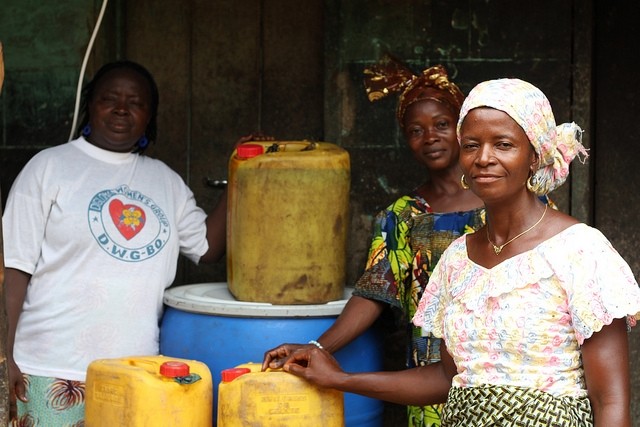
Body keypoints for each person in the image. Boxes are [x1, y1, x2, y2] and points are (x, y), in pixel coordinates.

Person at [278, 78, 640, 426]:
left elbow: (610, 402)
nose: (483, 158)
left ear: (534, 156)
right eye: (471, 145)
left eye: (503, 144)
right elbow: (446, 378)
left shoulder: (580, 250)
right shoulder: (456, 261)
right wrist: (340, 378)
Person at [2, 60, 264, 426]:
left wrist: (239, 170)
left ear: (149, 116)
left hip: (137, 372)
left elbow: (207, 247)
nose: (122, 108)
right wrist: (5, 355)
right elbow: (14, 267)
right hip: (48, 365)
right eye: (110, 98)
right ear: (91, 105)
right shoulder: (49, 167)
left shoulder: (165, 182)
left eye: (136, 102)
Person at [263, 55, 485, 426]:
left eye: (442, 125)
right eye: (416, 130)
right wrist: (317, 347)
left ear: (463, 128)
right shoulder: (402, 216)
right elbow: (373, 293)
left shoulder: (506, 200)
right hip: (431, 383)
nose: (430, 137)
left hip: (508, 372)